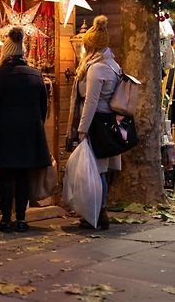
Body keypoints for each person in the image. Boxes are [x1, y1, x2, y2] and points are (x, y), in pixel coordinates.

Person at [0, 27, 51, 232]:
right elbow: (43, 107)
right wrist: (36, 125)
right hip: (29, 133)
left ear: (6, 51)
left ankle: (5, 219)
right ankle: (21, 219)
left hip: (4, 132)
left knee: (6, 177)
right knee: (23, 177)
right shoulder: (36, 75)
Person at [67, 14, 121, 230]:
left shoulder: (97, 68)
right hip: (108, 123)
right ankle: (96, 211)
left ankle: (97, 212)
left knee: (95, 171)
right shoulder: (113, 64)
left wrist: (82, 129)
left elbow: (91, 101)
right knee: (99, 170)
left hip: (98, 124)